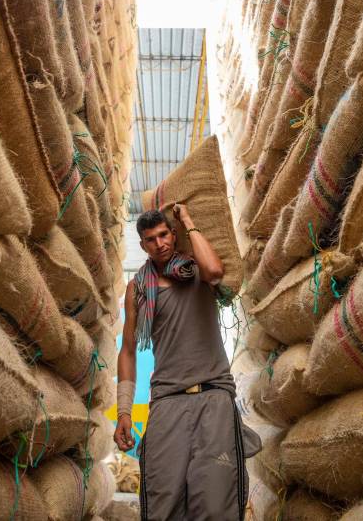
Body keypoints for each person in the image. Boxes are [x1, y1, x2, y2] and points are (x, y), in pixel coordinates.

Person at [113, 204, 259, 521]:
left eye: (164, 234)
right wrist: (124, 410)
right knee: (163, 498)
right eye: (151, 239)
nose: (159, 243)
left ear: (174, 234)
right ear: (143, 246)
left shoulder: (196, 269)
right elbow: (126, 350)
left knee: (216, 501)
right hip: (167, 401)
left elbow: (216, 272)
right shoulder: (138, 287)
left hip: (214, 396)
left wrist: (189, 219)